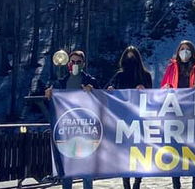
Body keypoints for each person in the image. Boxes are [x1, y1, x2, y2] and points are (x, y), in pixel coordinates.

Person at [160, 40, 195, 189]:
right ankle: (176, 184)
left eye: (188, 49)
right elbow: (163, 86)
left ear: (192, 52)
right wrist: (166, 88)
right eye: (182, 49)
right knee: (175, 151)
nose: (185, 52)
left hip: (194, 116)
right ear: (178, 51)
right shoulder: (172, 67)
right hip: (175, 115)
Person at [44, 50, 99, 189]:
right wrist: (49, 93)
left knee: (86, 166)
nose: (75, 64)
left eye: (78, 62)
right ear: (68, 63)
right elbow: (51, 102)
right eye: (72, 61)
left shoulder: (90, 81)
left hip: (86, 128)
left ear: (83, 64)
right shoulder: (62, 82)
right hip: (67, 128)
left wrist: (93, 91)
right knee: (67, 166)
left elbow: (101, 100)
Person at [107, 46, 153, 189]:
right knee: (124, 153)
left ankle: (138, 182)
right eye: (128, 56)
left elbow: (153, 97)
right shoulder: (119, 76)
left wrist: (144, 90)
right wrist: (110, 90)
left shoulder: (146, 75)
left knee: (140, 152)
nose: (130, 60)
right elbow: (106, 92)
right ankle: (126, 183)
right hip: (123, 119)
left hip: (140, 119)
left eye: (133, 56)